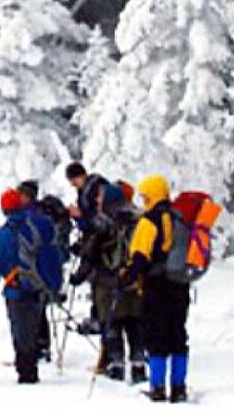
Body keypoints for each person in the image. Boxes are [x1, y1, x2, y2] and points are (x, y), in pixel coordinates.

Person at [0, 189, 64, 384]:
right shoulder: (41, 224)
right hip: (39, 287)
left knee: (21, 332)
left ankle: (26, 373)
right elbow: (55, 252)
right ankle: (33, 362)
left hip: (16, 290)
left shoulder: (4, 234)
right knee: (34, 326)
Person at [120, 175, 189, 402]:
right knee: (178, 335)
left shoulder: (148, 221)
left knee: (156, 336)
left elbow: (140, 255)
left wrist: (127, 277)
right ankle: (178, 387)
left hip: (156, 285)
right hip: (179, 283)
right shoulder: (179, 217)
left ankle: (157, 386)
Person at [72, 183, 145, 383]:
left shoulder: (103, 220)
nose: (97, 200)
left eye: (101, 197)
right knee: (134, 322)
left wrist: (78, 275)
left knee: (111, 323)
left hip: (107, 280)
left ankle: (116, 365)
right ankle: (139, 364)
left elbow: (91, 253)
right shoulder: (140, 218)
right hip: (135, 278)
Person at [18, 179, 73, 362]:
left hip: (34, 269)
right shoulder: (43, 214)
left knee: (34, 309)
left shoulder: (30, 216)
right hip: (46, 268)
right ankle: (42, 346)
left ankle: (38, 348)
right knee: (39, 309)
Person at [65, 162, 111, 335]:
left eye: (73, 179)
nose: (72, 184)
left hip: (100, 243)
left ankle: (100, 318)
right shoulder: (86, 191)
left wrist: (80, 216)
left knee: (100, 282)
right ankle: (97, 316)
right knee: (96, 283)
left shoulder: (95, 189)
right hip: (92, 239)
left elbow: (98, 219)